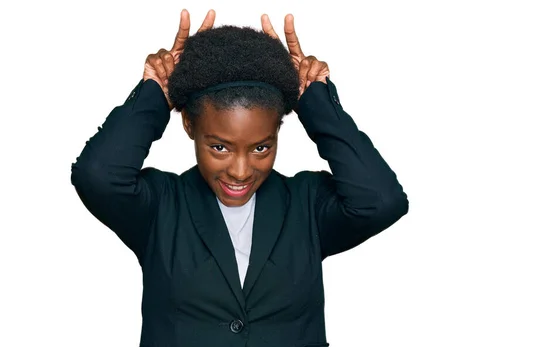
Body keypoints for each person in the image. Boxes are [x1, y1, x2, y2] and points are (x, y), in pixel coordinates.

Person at [71, 8, 409, 347]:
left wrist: (315, 103)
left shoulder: (306, 205)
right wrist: (155, 94)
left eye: (261, 148)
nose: (240, 171)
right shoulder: (161, 207)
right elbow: (98, 175)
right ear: (189, 124)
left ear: (278, 130)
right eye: (220, 147)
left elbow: (381, 201)